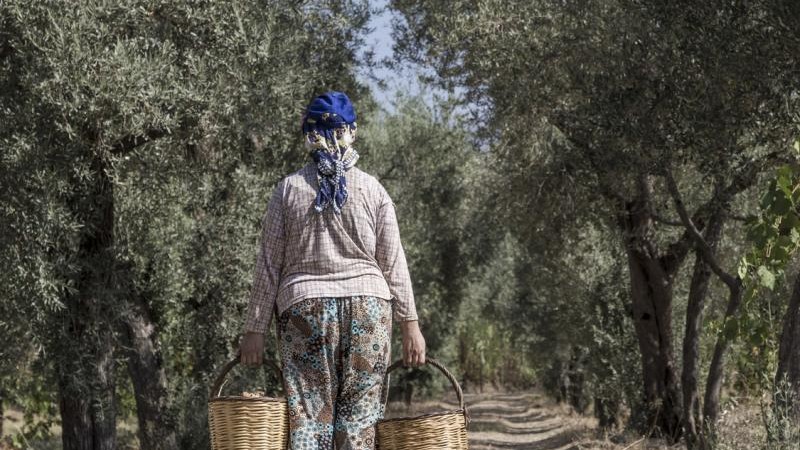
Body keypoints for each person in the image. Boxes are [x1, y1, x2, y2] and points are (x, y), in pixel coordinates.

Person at [238, 90, 426, 450]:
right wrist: (410, 325)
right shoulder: (373, 190)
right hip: (369, 311)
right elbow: (394, 262)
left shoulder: (288, 190)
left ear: (308, 134)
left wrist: (254, 330)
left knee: (309, 420)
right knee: (359, 423)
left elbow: (268, 265)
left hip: (305, 312)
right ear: (352, 131)